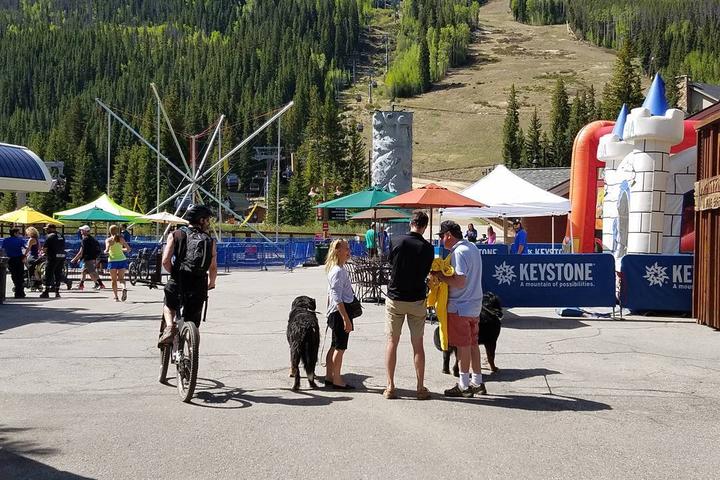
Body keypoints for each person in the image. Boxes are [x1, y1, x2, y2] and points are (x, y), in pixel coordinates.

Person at [383, 210, 434, 400]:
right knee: (418, 345)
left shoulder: (396, 241)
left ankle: (390, 386)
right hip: (417, 299)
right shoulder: (428, 248)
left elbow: (390, 262)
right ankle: (420, 387)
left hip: (395, 297)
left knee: (392, 342)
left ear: (411, 223)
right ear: (425, 226)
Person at [433, 220, 486, 398]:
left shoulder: (458, 252)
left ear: (448, 235)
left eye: (441, 236)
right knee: (473, 344)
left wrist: (440, 276)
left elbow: (460, 281)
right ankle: (477, 381)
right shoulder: (472, 247)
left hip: (460, 305)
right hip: (474, 304)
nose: (440, 240)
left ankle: (464, 385)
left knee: (463, 345)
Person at [158, 205, 218, 344]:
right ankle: (189, 349)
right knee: (192, 318)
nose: (208, 223)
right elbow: (213, 267)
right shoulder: (209, 240)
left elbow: (166, 261)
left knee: (169, 305)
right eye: (207, 220)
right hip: (199, 282)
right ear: (201, 220)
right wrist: (211, 282)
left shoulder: (176, 234)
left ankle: (170, 327)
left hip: (179, 278)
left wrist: (174, 273)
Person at [323, 239, 356, 390]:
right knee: (340, 347)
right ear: (338, 250)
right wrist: (345, 318)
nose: (349, 251)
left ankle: (330, 375)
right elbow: (336, 296)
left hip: (336, 311)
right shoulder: (337, 271)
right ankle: (337, 378)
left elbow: (330, 295)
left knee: (334, 345)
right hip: (340, 312)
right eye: (346, 248)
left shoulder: (339, 269)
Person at [40, 223, 70, 298]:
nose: (46, 230)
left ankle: (46, 292)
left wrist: (45, 253)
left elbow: (45, 248)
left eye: (47, 229)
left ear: (51, 228)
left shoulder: (49, 236)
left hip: (52, 257)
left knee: (48, 273)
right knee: (58, 274)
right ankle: (57, 292)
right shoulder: (60, 235)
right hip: (61, 256)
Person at [71, 225, 105, 290]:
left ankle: (100, 284)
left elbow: (81, 251)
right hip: (92, 258)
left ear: (85, 231)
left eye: (82, 230)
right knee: (84, 272)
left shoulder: (85, 239)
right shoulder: (92, 239)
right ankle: (81, 285)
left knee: (93, 272)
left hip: (88, 259)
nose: (80, 231)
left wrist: (75, 259)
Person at [105, 224, 131, 302]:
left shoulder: (108, 240)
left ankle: (116, 297)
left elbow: (106, 250)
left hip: (112, 260)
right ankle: (124, 288)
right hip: (122, 259)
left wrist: (106, 251)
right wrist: (121, 250)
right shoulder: (121, 239)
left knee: (114, 280)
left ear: (109, 231)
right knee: (121, 278)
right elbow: (128, 249)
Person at [2, 228, 26, 298]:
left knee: (14, 275)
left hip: (10, 259)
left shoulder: (5, 240)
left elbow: (3, 249)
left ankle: (18, 290)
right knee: (20, 275)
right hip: (19, 259)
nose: (19, 234)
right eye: (18, 233)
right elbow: (26, 247)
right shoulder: (20, 240)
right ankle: (20, 291)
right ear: (15, 233)